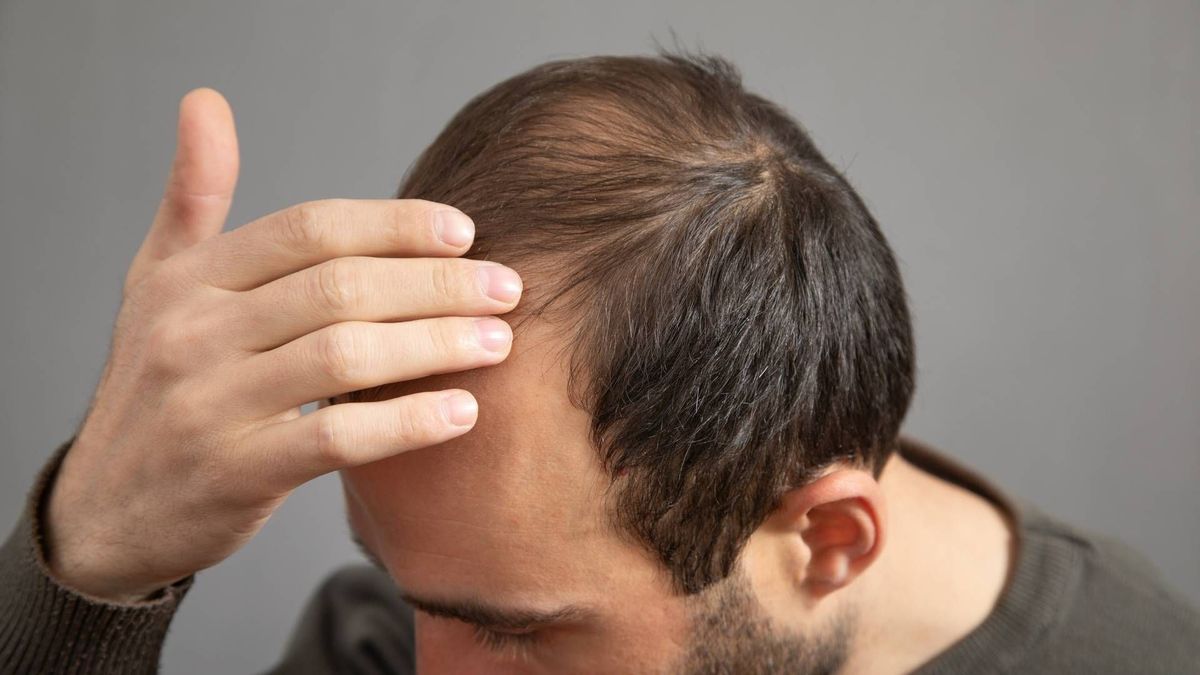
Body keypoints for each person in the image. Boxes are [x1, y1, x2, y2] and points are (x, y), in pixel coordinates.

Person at [2, 50, 1198, 675]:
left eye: (524, 636)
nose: (429, 667)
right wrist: (94, 562)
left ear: (827, 541)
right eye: (402, 583)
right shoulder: (425, 613)